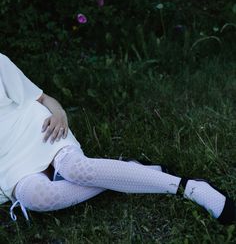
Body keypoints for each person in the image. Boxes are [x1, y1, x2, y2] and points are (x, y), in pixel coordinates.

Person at [0, 52, 235, 225]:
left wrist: (60, 114)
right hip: (8, 161)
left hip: (34, 127)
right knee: (36, 198)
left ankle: (189, 187)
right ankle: (128, 171)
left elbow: (42, 98)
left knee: (75, 169)